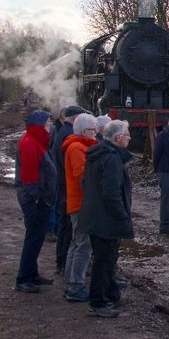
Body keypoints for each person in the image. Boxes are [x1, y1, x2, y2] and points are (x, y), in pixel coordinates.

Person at [79, 119, 134, 318]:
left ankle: (110, 293)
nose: (129, 138)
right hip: (106, 219)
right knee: (104, 260)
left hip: (96, 216)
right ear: (118, 138)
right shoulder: (111, 159)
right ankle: (98, 302)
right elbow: (111, 194)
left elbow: (85, 182)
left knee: (105, 259)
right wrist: (122, 215)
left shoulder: (98, 153)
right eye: (127, 134)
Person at [14, 110, 58, 293]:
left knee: (37, 236)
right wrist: (40, 198)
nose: (50, 126)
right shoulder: (30, 144)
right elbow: (29, 177)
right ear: (40, 125)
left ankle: (32, 273)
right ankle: (24, 278)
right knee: (33, 237)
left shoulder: (36, 141)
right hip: (33, 199)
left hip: (38, 197)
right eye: (48, 123)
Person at [61, 113, 99, 302]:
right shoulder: (77, 148)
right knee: (83, 245)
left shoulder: (79, 146)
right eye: (93, 130)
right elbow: (82, 176)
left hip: (80, 202)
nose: (96, 134)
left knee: (77, 244)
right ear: (84, 131)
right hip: (81, 203)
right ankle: (75, 286)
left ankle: (70, 283)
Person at [48, 106, 83, 245]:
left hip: (63, 181)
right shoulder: (69, 135)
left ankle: (63, 259)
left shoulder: (65, 131)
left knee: (65, 220)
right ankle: (63, 260)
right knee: (67, 223)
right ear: (75, 118)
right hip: (66, 184)